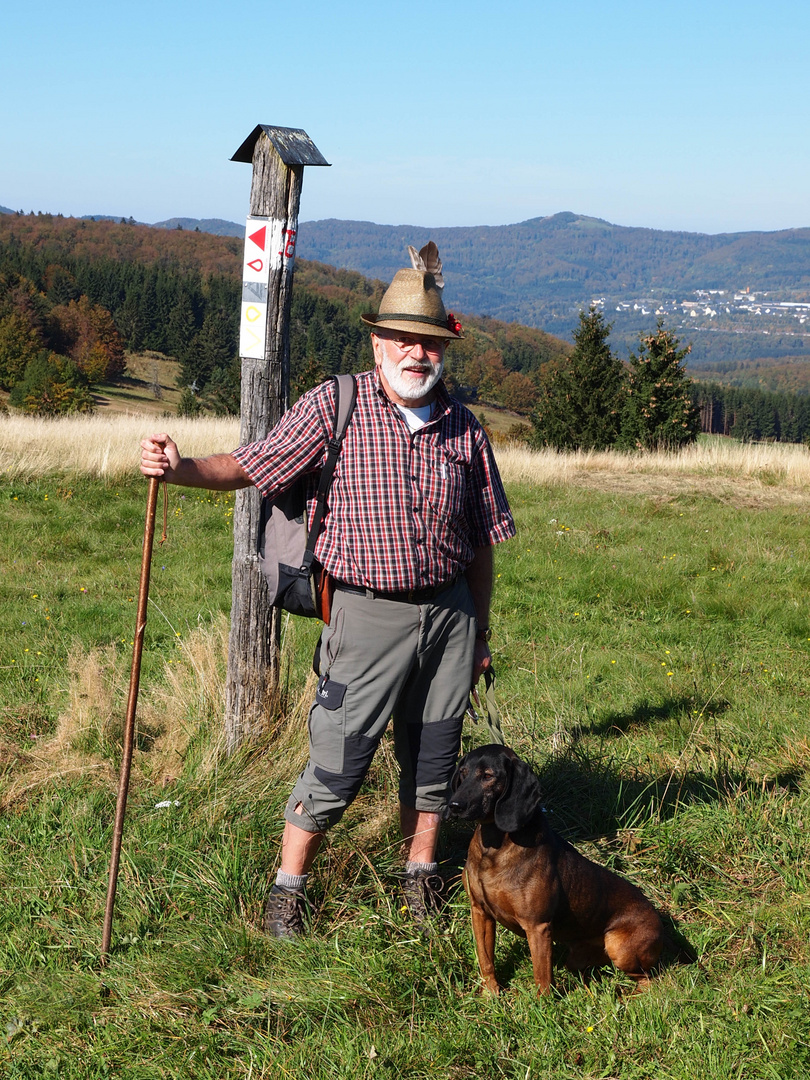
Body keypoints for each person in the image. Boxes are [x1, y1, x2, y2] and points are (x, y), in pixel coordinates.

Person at [140, 247, 515, 938]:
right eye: (402, 339)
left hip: (452, 615)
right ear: (377, 342)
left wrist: (480, 631)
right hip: (365, 613)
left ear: (444, 351)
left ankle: (418, 881)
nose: (416, 353)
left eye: (429, 342)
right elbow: (250, 464)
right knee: (338, 762)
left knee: (434, 761)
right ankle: (289, 891)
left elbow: (485, 541)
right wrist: (180, 466)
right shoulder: (333, 405)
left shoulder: (466, 431)